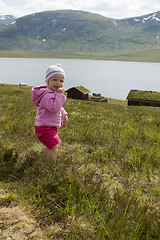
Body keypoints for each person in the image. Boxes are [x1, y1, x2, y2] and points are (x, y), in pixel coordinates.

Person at [32, 64, 68, 159]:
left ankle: (43, 161)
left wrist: (64, 113)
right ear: (48, 81)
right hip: (44, 127)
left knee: (50, 146)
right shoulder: (46, 95)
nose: (58, 83)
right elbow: (53, 108)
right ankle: (49, 165)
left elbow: (58, 106)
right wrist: (60, 95)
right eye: (54, 80)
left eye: (61, 81)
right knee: (53, 147)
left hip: (49, 126)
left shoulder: (52, 93)